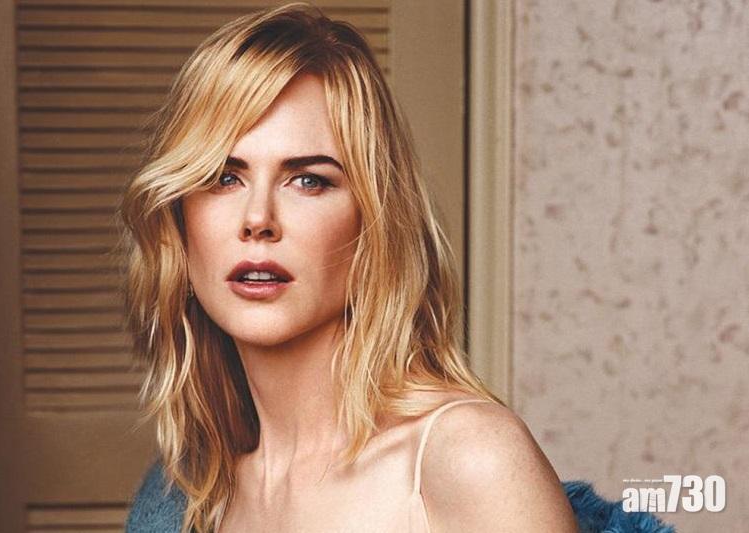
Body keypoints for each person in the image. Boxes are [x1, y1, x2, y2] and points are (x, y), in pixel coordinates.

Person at [119, 3, 578, 532]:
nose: (258, 219)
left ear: (374, 223)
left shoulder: (468, 459)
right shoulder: (189, 498)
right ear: (178, 216)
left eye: (308, 180)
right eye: (224, 177)